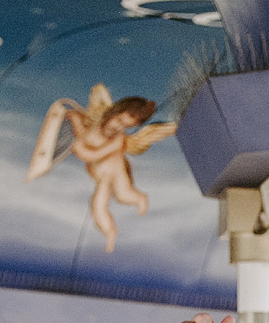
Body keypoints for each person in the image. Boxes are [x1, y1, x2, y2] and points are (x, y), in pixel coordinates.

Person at [25, 86, 176, 253]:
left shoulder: (117, 140)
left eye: (125, 127)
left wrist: (80, 148)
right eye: (119, 121)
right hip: (101, 175)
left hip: (112, 175)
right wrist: (72, 117)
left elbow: (93, 154)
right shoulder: (93, 124)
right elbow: (82, 133)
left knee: (120, 196)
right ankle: (111, 229)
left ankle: (135, 206)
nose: (118, 128)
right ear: (113, 112)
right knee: (100, 206)